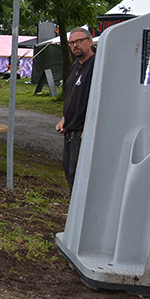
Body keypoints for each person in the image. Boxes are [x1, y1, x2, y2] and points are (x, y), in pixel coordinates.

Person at [55, 27, 95, 188]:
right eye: (72, 43)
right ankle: (73, 211)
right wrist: (64, 118)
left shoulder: (96, 65)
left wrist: (90, 126)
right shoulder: (75, 67)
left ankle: (79, 212)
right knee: (69, 173)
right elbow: (71, 97)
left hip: (83, 133)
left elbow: (98, 98)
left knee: (79, 177)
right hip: (70, 131)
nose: (75, 46)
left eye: (79, 41)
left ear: (90, 41)